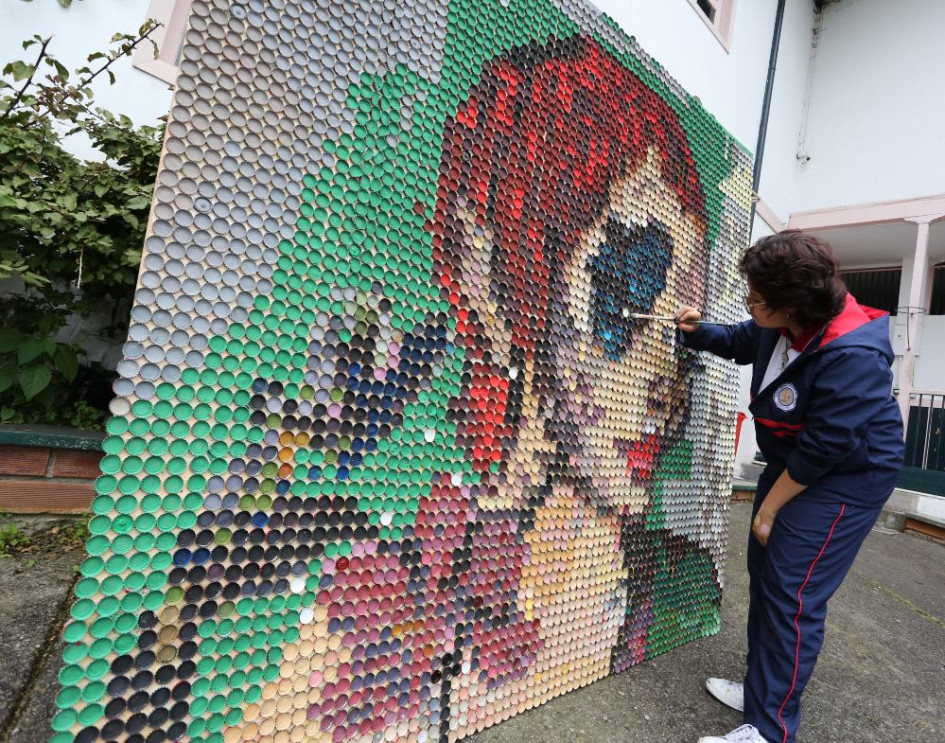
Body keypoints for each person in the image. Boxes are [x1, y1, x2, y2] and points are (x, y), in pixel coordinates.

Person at [675, 230, 905, 743]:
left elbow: (825, 448)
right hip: (794, 461)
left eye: (755, 298)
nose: (748, 304)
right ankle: (763, 689)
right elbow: (740, 340)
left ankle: (770, 727)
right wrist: (696, 330)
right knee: (766, 572)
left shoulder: (853, 355)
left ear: (790, 304)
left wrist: (768, 511)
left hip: (846, 476)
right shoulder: (779, 324)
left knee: (792, 590)